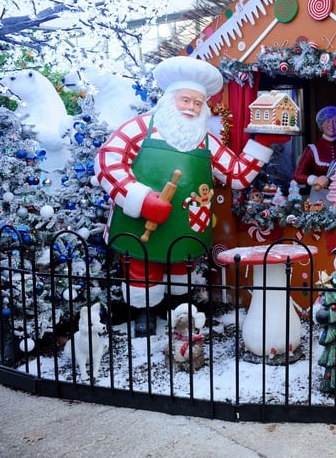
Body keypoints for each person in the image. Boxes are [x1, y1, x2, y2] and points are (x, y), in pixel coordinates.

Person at [95, 56, 287, 336]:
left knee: (179, 267)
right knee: (142, 265)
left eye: (198, 103)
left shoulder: (204, 139)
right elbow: (108, 161)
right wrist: (141, 198)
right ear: (171, 99)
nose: (191, 108)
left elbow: (236, 175)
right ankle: (144, 312)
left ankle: (178, 310)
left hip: (185, 223)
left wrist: (262, 144)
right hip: (140, 222)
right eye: (186, 100)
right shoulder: (138, 128)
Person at [293, 105, 336, 203]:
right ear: (321, 125)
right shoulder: (312, 149)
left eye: (335, 121)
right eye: (327, 121)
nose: (331, 125)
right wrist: (315, 180)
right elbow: (297, 175)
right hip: (318, 199)